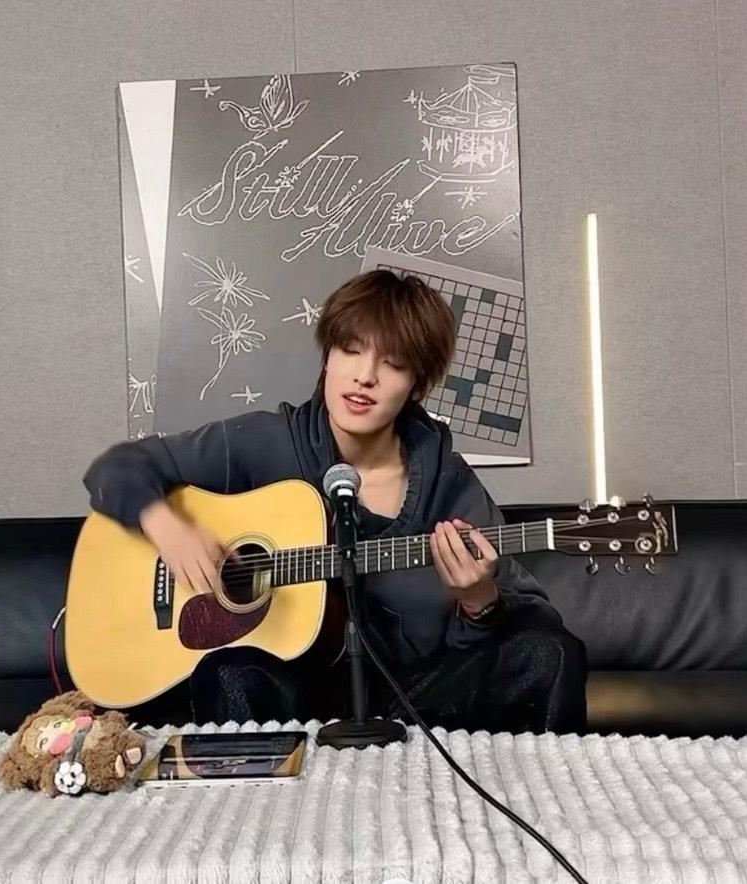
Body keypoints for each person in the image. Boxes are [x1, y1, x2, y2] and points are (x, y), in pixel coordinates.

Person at [82, 269, 587, 734]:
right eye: (350, 350)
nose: (365, 376)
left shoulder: (446, 481)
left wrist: (480, 602)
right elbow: (115, 468)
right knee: (230, 672)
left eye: (393, 363)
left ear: (417, 384)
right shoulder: (268, 442)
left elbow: (532, 620)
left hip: (418, 700)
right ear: (327, 357)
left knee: (550, 653)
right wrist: (166, 525)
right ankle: (252, 803)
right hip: (298, 699)